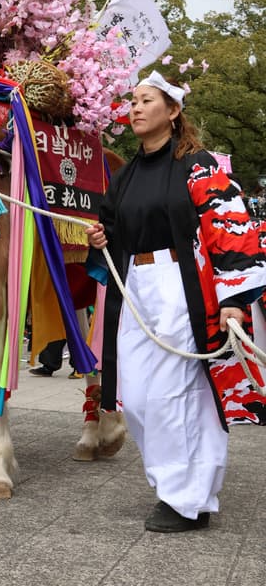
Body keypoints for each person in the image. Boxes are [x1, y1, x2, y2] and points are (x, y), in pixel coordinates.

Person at [86, 71, 266, 533]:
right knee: (140, 397)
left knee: (176, 395)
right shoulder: (125, 175)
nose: (136, 108)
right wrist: (102, 235)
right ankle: (183, 487)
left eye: (147, 101)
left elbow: (231, 227)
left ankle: (186, 498)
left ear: (173, 111)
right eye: (132, 101)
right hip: (137, 287)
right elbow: (112, 228)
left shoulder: (199, 165)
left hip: (182, 285)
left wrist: (233, 299)